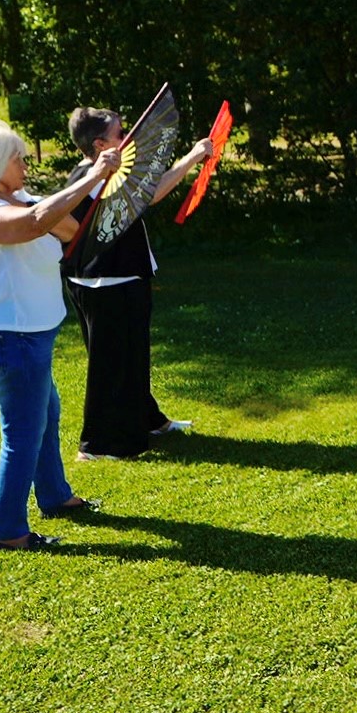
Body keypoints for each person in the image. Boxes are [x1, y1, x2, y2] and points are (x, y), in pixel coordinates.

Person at [0, 118, 121, 552]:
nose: (25, 164)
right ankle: (9, 532)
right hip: (7, 336)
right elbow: (34, 223)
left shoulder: (23, 201)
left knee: (46, 412)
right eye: (17, 157)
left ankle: (55, 495)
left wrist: (63, 200)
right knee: (23, 434)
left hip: (28, 332)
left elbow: (72, 231)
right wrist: (91, 176)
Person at [61, 105, 216, 462]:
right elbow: (151, 193)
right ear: (100, 145)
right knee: (110, 365)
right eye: (120, 134)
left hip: (117, 278)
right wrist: (192, 157)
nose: (127, 138)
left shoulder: (101, 175)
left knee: (130, 357)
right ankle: (98, 445)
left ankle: (149, 419)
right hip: (106, 282)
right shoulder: (93, 178)